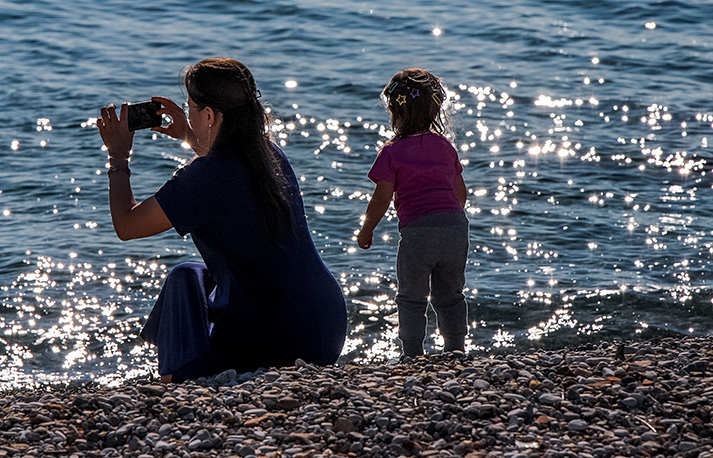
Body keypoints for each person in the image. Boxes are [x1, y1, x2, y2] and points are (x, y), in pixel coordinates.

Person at [97, 58, 347, 383]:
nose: (187, 114)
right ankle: (182, 371)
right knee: (191, 275)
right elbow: (224, 172)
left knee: (182, 281)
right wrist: (188, 133)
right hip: (325, 328)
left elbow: (127, 226)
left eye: (190, 108)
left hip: (284, 341)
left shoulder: (203, 179)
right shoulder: (268, 154)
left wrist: (118, 156)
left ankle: (176, 379)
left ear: (211, 115)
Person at [356, 68, 469, 356]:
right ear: (435, 109)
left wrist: (367, 228)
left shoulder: (392, 151)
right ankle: (455, 348)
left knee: (411, 297)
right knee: (451, 295)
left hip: (418, 231)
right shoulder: (445, 147)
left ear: (395, 112)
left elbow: (381, 198)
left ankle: (412, 354)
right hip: (456, 227)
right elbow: (461, 194)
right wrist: (449, 220)